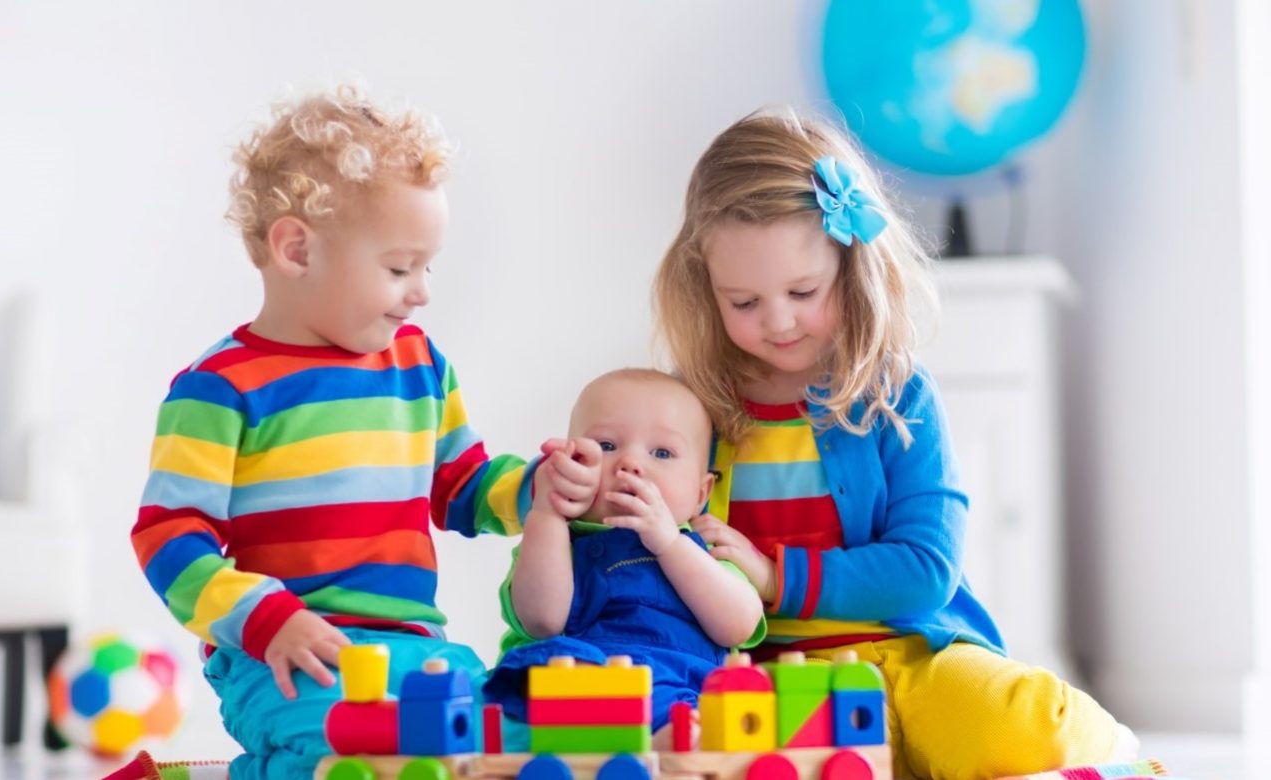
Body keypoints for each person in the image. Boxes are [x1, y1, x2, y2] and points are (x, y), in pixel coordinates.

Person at [652, 108, 1137, 780]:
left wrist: (773, 576)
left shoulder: (895, 394)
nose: (778, 320)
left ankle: (1111, 752)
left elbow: (926, 565)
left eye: (802, 290)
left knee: (1024, 726)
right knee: (719, 754)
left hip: (912, 657)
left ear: (852, 267)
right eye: (743, 302)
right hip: (767, 677)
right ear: (704, 288)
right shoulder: (692, 406)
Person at [130, 85, 577, 780]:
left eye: (426, 267)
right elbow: (169, 537)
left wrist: (538, 488)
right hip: (289, 653)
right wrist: (267, 619)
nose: (422, 291)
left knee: (512, 742)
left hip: (414, 649)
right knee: (355, 756)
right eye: (400, 268)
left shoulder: (421, 367)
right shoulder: (218, 389)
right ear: (297, 249)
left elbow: (463, 487)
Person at [484, 368, 765, 749]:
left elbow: (738, 626)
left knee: (703, 707)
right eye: (607, 445)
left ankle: (673, 742)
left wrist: (668, 543)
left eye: (662, 453)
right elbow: (543, 620)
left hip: (671, 688)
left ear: (701, 493)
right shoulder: (557, 541)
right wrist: (547, 512)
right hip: (577, 682)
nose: (630, 463)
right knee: (525, 677)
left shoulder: (705, 553)